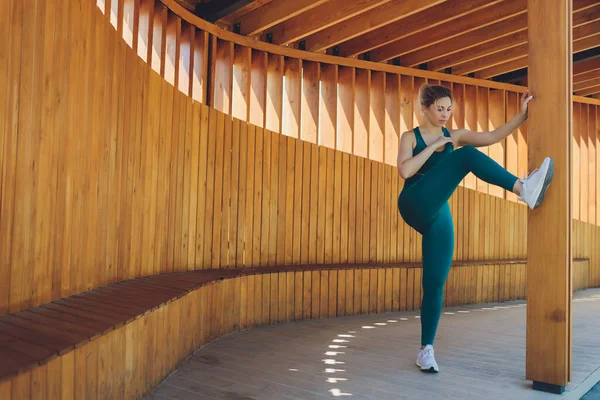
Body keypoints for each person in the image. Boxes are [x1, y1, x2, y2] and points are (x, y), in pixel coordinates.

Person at [396, 84, 554, 373]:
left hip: (438, 211)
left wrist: (522, 116)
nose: (445, 114)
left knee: (435, 282)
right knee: (465, 156)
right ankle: (523, 189)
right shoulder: (411, 137)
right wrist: (432, 147)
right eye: (439, 109)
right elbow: (404, 171)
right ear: (425, 108)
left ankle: (425, 350)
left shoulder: (453, 136)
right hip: (414, 200)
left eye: (448, 109)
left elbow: (492, 137)